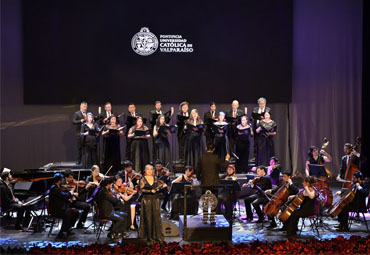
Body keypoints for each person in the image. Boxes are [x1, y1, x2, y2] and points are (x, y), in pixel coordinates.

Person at [139, 164, 167, 243]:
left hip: (155, 200)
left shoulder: (155, 178)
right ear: (145, 170)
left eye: (151, 169)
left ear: (153, 171)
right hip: (146, 200)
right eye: (148, 169)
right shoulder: (143, 179)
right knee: (148, 218)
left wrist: (163, 186)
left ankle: (156, 236)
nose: (149, 171)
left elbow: (160, 186)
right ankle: (148, 236)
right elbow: (142, 190)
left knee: (156, 217)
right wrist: (150, 191)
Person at [48, 173, 80, 239]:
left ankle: (68, 228)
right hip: (56, 210)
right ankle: (61, 232)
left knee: (76, 212)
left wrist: (69, 193)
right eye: (62, 179)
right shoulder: (54, 188)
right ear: (59, 180)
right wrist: (70, 193)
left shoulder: (57, 187)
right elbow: (63, 196)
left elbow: (62, 195)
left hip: (60, 208)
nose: (63, 180)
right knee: (67, 214)